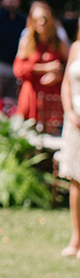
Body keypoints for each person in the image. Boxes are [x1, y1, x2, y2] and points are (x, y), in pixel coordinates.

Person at [13, 2, 67, 128]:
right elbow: (18, 69)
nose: (41, 22)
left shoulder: (59, 43)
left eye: (45, 18)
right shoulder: (27, 42)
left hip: (52, 98)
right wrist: (45, 68)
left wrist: (59, 74)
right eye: (37, 19)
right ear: (32, 21)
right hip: (31, 96)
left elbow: (69, 66)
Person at [59, 26, 80, 257]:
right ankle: (76, 238)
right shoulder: (75, 47)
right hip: (75, 123)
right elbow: (66, 83)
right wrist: (69, 112)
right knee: (76, 180)